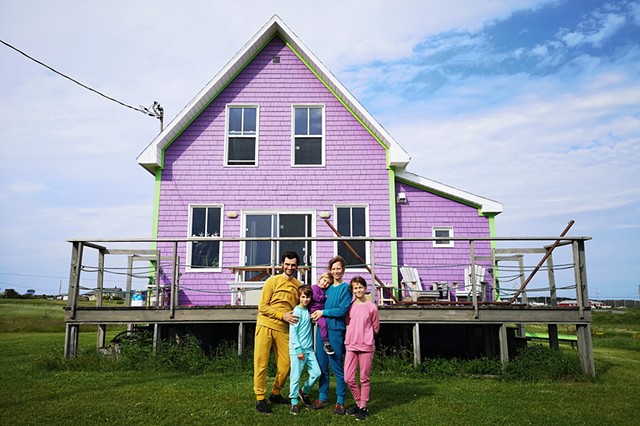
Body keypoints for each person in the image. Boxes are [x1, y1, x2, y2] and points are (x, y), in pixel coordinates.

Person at [253, 251, 302, 415]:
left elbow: (301, 306)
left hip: (283, 328)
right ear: (282, 264)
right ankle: (260, 398)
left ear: (297, 266)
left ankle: (275, 393)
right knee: (261, 362)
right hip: (265, 324)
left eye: (293, 265)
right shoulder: (272, 281)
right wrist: (282, 315)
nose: (289, 267)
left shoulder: (298, 285)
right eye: (287, 264)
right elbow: (263, 307)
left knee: (287, 364)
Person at [310, 255, 353, 415]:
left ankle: (340, 401)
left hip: (335, 332)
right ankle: (322, 398)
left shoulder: (345, 289)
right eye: (333, 268)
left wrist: (323, 312)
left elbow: (342, 310)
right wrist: (314, 313)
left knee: (336, 367)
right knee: (322, 367)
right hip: (321, 332)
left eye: (338, 268)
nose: (336, 271)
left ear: (343, 270)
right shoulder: (325, 288)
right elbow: (316, 303)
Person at [344, 276, 380, 421]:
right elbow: (347, 323)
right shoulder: (350, 307)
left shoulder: (372, 307)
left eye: (360, 287)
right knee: (348, 378)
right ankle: (359, 403)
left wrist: (367, 336)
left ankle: (363, 407)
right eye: (355, 288)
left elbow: (376, 327)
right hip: (351, 345)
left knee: (364, 378)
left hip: (366, 346)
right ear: (352, 290)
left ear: (365, 288)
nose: (358, 290)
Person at [288, 285, 321, 415]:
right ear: (299, 297)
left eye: (308, 297)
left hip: (309, 349)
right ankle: (294, 402)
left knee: (316, 373)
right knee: (295, 376)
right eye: (303, 297)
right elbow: (293, 333)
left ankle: (304, 391)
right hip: (298, 350)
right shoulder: (296, 312)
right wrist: (298, 350)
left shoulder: (308, 311)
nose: (306, 299)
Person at [310, 272, 335, 355]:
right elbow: (315, 297)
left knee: (324, 324)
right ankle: (325, 342)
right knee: (322, 324)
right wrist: (324, 298)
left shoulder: (324, 291)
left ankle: (325, 343)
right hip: (314, 311)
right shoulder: (314, 287)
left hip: (321, 312)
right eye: (324, 280)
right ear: (320, 279)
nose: (325, 284)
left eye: (328, 283)